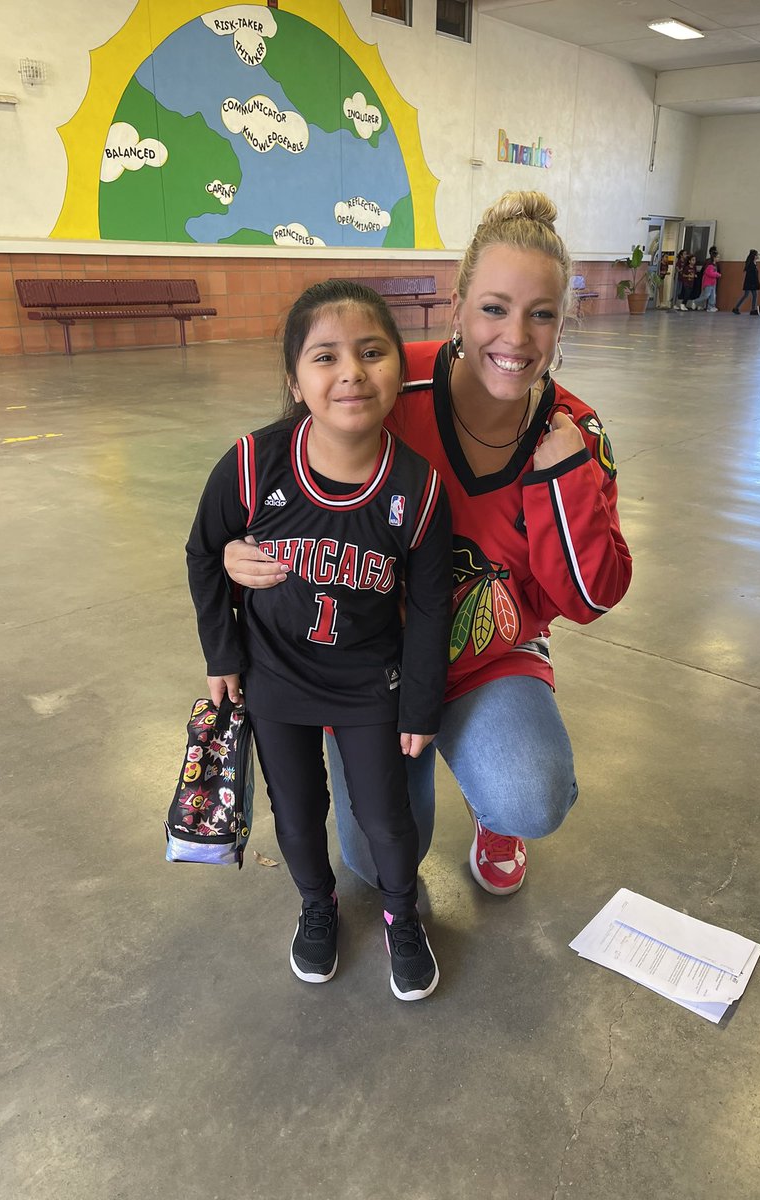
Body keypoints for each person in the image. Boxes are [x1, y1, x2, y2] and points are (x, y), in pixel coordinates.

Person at [223, 191, 632, 912]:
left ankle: (492, 808)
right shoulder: (385, 380)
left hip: (488, 657)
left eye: (542, 314)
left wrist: (564, 478)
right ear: (457, 309)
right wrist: (238, 549)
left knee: (528, 795)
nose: (516, 336)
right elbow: (285, 468)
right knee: (373, 860)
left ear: (563, 323)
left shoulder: (576, 433)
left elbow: (591, 597)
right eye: (495, 308)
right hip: (369, 668)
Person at [186, 279, 453, 1002]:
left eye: (372, 352)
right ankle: (316, 904)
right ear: (295, 379)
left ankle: (402, 915)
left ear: (399, 364)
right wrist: (221, 652)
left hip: (369, 682)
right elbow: (204, 551)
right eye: (325, 357)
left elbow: (432, 607)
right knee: (298, 812)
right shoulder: (254, 463)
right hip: (275, 676)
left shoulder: (417, 488)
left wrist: (421, 703)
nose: (351, 373)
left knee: (386, 819)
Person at [732, 250, 760, 315]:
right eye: (757, 255)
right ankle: (752, 310)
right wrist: (755, 283)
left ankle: (736, 308)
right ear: (754, 256)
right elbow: (751, 275)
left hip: (750, 283)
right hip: (751, 283)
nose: (758, 256)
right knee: (752, 295)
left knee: (748, 295)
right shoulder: (751, 264)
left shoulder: (753, 263)